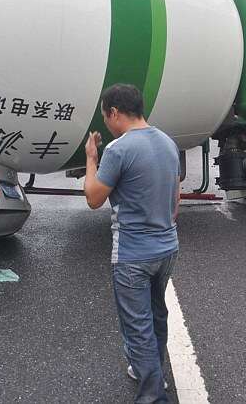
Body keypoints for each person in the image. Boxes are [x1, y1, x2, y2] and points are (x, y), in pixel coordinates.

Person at [83, 83, 181, 404]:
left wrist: (91, 158)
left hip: (132, 254)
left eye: (105, 116)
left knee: (138, 326)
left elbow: (94, 198)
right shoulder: (167, 143)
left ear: (114, 113)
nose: (106, 124)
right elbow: (175, 201)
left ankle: (153, 396)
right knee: (156, 314)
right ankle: (151, 372)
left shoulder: (119, 149)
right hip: (167, 247)